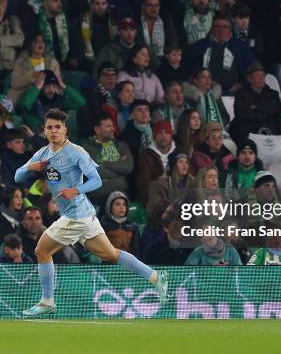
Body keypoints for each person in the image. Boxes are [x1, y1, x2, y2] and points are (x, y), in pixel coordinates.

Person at [14, 108, 168, 316]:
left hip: (76, 215)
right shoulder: (43, 153)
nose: (53, 131)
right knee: (111, 254)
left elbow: (96, 180)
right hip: (84, 215)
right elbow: (17, 177)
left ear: (65, 129)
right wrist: (32, 167)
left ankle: (47, 301)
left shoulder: (76, 152)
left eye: (57, 127)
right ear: (44, 130)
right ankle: (155, 277)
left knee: (42, 251)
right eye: (49, 127)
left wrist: (75, 189)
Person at [81, 114, 133, 202]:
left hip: (121, 193)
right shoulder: (86, 148)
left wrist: (103, 163)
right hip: (97, 195)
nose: (113, 129)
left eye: (112, 126)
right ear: (97, 130)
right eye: (108, 126)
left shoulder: (121, 146)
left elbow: (128, 168)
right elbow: (95, 172)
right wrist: (119, 167)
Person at [229, 63, 281, 145]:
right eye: (257, 75)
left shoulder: (273, 94)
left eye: (263, 75)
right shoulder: (241, 94)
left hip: (268, 129)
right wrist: (265, 111)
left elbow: (276, 111)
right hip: (247, 131)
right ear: (250, 79)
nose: (261, 78)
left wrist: (256, 107)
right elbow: (242, 113)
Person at [100, 191, 140, 258]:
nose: (122, 207)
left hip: (129, 263)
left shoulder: (133, 226)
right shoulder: (103, 224)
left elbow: (136, 249)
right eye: (117, 204)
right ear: (110, 207)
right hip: (110, 263)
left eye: (124, 204)